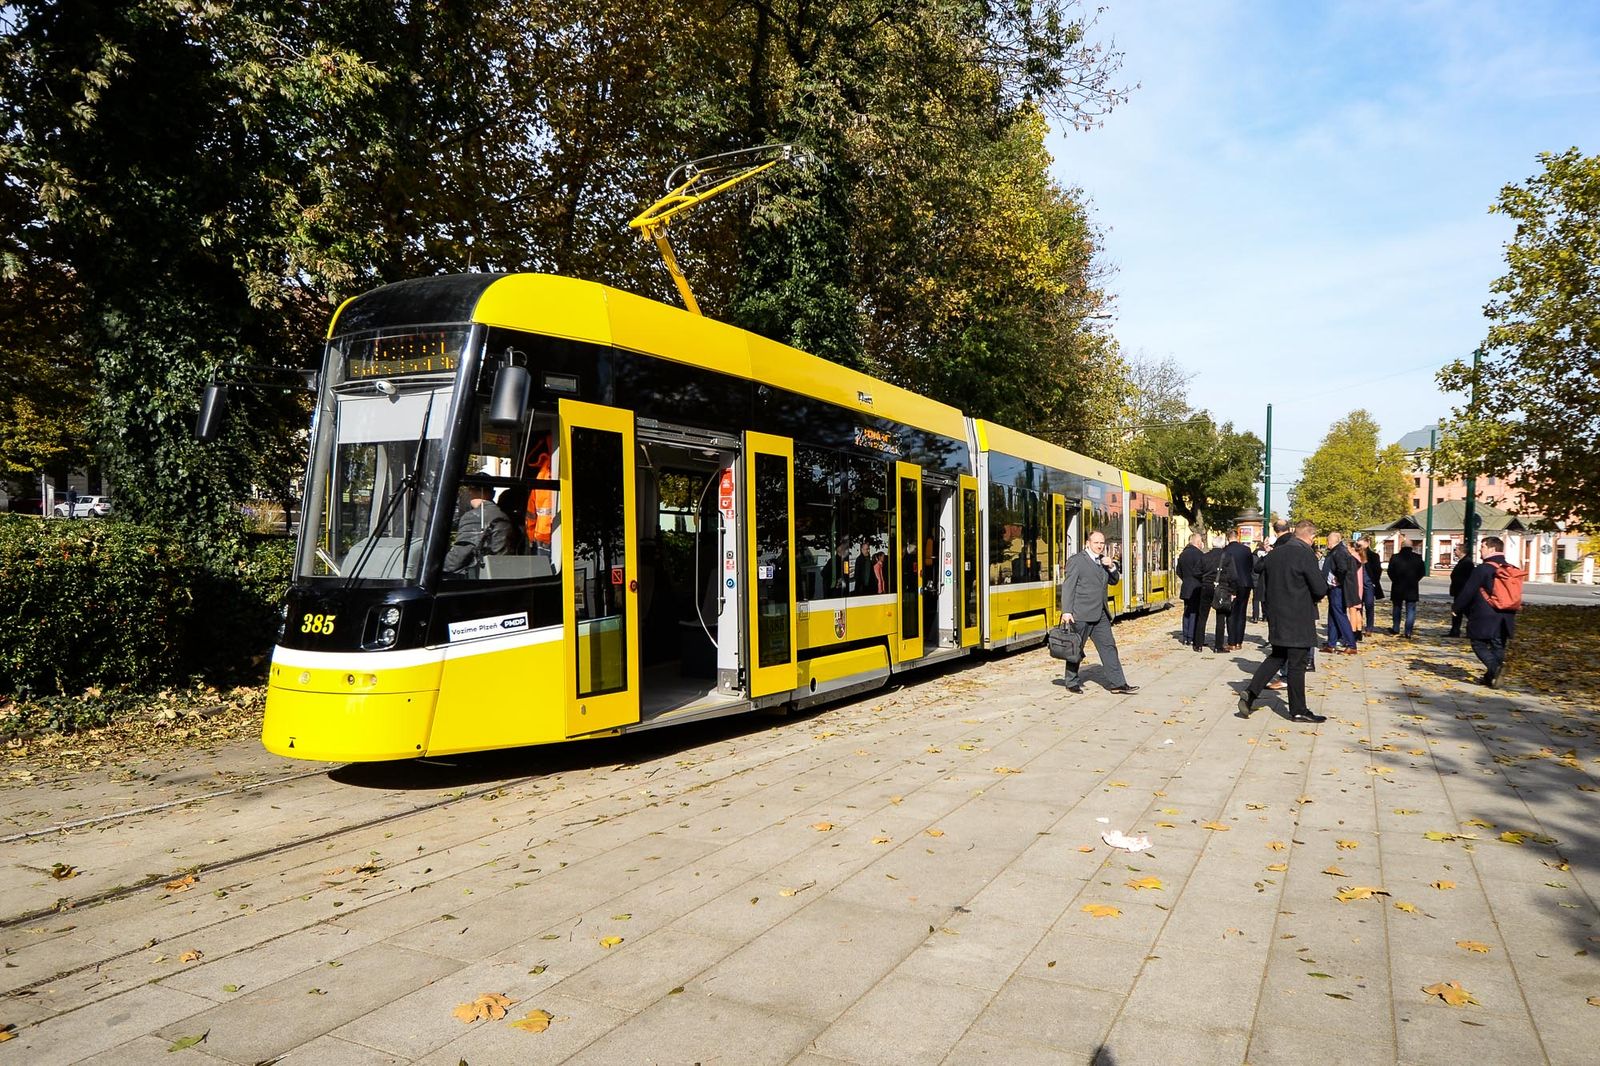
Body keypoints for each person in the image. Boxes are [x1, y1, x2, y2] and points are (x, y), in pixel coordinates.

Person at [1237, 518, 1330, 723]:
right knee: (1297, 663)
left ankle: (1250, 693)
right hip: (1298, 615)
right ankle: (1298, 710)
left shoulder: (1275, 554)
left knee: (1277, 656)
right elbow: (1319, 588)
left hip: (1277, 614)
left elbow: (1262, 575)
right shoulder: (1305, 554)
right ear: (1311, 536)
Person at [1059, 529, 1138, 694]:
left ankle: (1117, 683)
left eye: (1102, 543)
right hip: (1080, 614)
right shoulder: (1077, 561)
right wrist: (1066, 611)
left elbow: (1114, 581)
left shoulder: (1104, 561)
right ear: (1088, 543)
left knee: (1109, 646)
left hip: (1100, 614)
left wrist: (1111, 567)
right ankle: (1071, 681)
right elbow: (1068, 586)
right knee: (1076, 649)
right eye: (1096, 543)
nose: (1099, 546)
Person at [1453, 536, 1523, 687]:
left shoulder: (1483, 569)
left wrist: (1456, 608)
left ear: (1492, 549)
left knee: (1478, 643)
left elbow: (1468, 590)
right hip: (1507, 613)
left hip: (1485, 614)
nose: (1480, 550)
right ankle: (1491, 677)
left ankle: (1495, 668)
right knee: (1498, 644)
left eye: (1483, 547)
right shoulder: (1511, 568)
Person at [444, 482, 513, 574]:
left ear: (471, 492)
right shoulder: (501, 514)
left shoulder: (475, 516)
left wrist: (436, 567)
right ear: (493, 493)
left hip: (482, 576)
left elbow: (459, 557)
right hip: (502, 572)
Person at [1322, 531, 1357, 653]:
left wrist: (1338, 580)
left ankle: (1351, 644)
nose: (1327, 543)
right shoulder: (1336, 551)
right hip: (1333, 588)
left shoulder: (1339, 551)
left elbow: (1343, 568)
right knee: (1333, 615)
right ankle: (1331, 643)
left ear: (1333, 541)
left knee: (1340, 615)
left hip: (1337, 589)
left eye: (1328, 540)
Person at [1222, 530, 1255, 649]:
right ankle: (1239, 642)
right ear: (1238, 537)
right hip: (1245, 583)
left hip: (1231, 584)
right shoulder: (1246, 550)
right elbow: (1251, 566)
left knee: (1231, 612)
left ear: (1227, 538)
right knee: (1242, 612)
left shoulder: (1225, 550)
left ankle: (1231, 641)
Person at [1387, 538, 1425, 638]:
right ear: (1411, 547)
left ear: (1401, 546)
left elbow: (1390, 571)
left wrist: (1395, 580)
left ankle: (1396, 628)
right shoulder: (1417, 557)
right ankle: (1408, 631)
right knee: (1411, 609)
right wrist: (1415, 580)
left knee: (1397, 607)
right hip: (1412, 587)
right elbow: (1422, 572)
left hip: (1397, 586)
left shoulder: (1395, 557)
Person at [1191, 535, 1220, 653]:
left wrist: (1204, 578)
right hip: (1221, 588)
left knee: (1202, 616)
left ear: (1212, 544)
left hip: (1206, 586)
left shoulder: (1205, 557)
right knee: (1221, 617)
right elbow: (1233, 575)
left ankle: (1198, 644)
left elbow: (1196, 572)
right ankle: (1218, 645)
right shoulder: (1227, 556)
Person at [1176, 532, 1206, 645]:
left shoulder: (1183, 554)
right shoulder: (1199, 555)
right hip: (1197, 587)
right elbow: (1203, 571)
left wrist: (1186, 579)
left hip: (1186, 586)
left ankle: (1185, 636)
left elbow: (1178, 571)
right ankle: (1192, 636)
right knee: (1195, 611)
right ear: (1198, 543)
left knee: (1187, 611)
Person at [1448, 551, 1475, 636]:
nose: (1454, 552)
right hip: (1459, 590)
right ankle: (1455, 631)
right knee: (1458, 611)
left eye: (1456, 550)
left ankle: (1471, 631)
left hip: (1462, 591)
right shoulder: (1463, 562)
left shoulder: (1467, 563)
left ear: (1461, 551)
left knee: (1465, 611)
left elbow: (1465, 577)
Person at [1359, 538, 1383, 632]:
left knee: (1369, 605)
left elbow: (1378, 570)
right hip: (1358, 584)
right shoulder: (1356, 555)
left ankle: (1369, 627)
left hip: (1369, 584)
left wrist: (1374, 581)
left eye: (1361, 544)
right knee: (1358, 606)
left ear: (1367, 543)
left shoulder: (1373, 555)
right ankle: (1358, 626)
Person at [1251, 539, 1271, 622]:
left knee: (1255, 598)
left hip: (1254, 579)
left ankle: (1255, 616)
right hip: (1263, 579)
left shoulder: (1253, 556)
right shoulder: (1267, 556)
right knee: (1264, 598)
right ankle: (1265, 615)